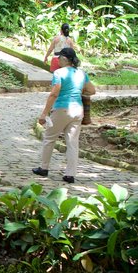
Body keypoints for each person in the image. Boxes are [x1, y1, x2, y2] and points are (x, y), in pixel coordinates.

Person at [32, 47, 95, 184]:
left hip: (62, 108)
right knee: (72, 143)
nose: (58, 60)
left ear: (65, 59)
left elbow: (54, 93)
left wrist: (44, 113)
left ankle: (44, 168)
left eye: (59, 57)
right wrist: (77, 89)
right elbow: (92, 90)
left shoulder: (59, 73)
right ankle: (70, 174)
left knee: (49, 138)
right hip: (78, 110)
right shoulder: (81, 73)